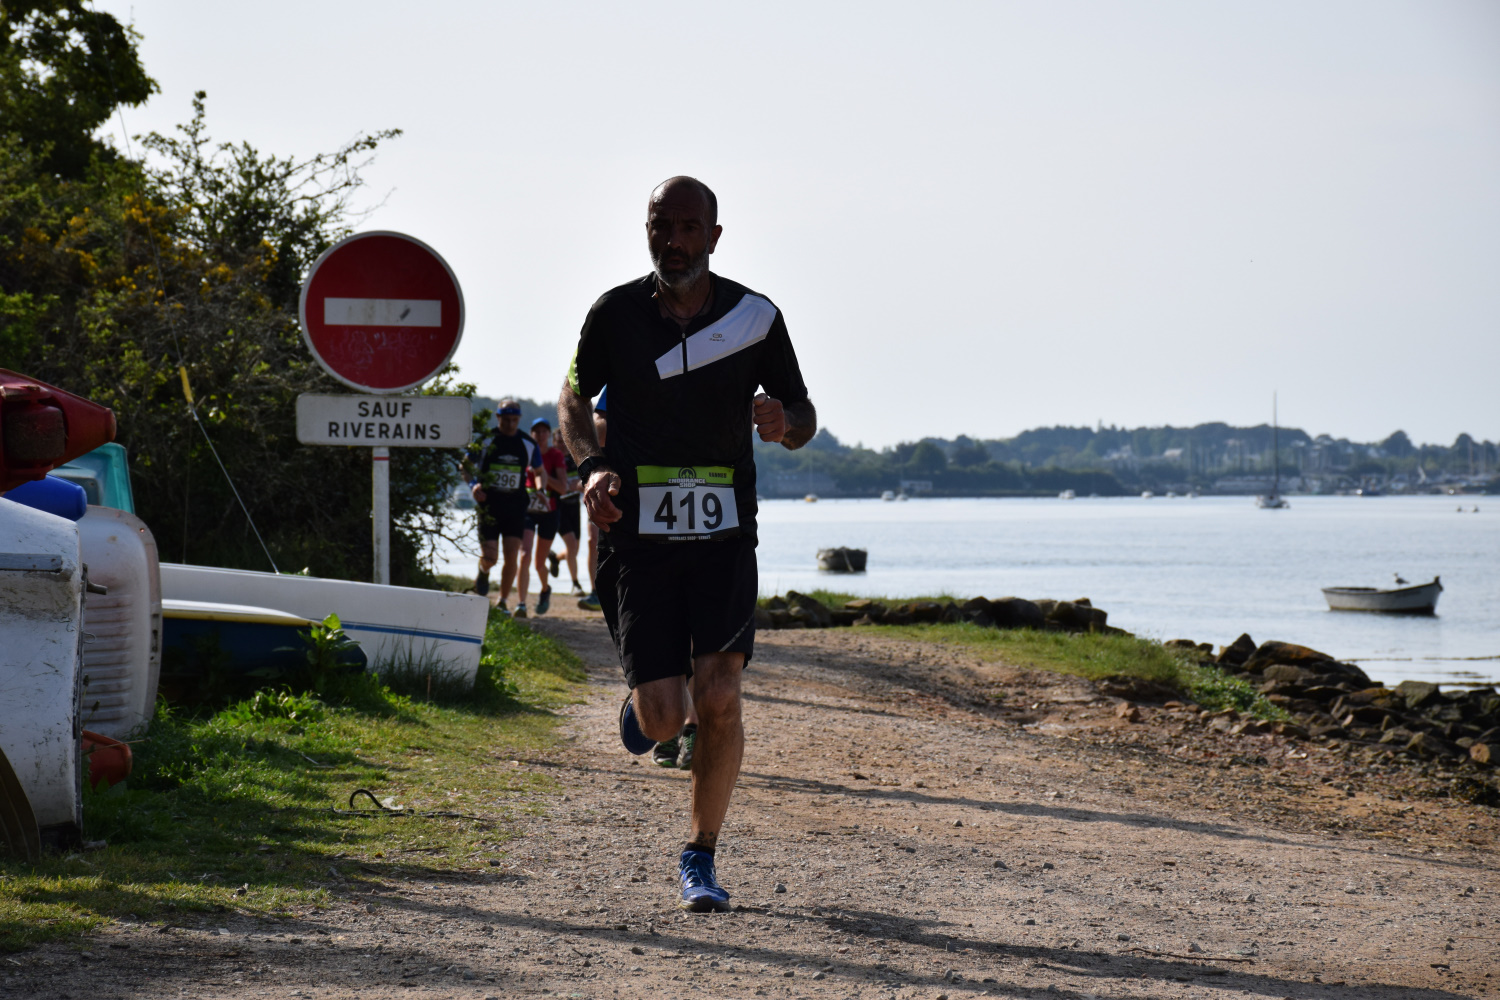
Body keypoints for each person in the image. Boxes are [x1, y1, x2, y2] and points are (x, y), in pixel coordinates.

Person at [557, 176, 816, 913]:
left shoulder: (755, 317)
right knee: (667, 717)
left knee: (722, 692)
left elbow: (804, 413)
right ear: (647, 231)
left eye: (688, 227)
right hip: (639, 537)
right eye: (660, 226)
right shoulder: (614, 314)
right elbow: (573, 395)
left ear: (714, 236)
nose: (673, 241)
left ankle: (699, 856)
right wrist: (592, 466)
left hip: (724, 531)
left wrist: (784, 424)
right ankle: (647, 712)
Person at [468, 400, 543, 615]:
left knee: (511, 556)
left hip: (515, 507)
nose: (510, 424)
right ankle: (483, 571)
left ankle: (502, 601)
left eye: (514, 420)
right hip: (489, 507)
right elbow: (465, 466)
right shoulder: (486, 440)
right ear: (498, 417)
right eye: (506, 420)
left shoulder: (528, 443)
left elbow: (539, 471)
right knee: (490, 557)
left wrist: (540, 489)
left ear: (519, 419)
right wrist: (473, 486)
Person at [515, 417, 569, 618]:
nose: (540, 435)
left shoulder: (555, 455)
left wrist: (542, 474)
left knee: (539, 563)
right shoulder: (525, 451)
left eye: (544, 431)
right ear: (531, 434)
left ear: (548, 434)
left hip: (549, 511)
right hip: (527, 510)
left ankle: (545, 589)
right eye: (536, 432)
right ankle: (521, 604)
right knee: (524, 555)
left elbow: (563, 488)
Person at [576, 388, 608, 612]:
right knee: (592, 540)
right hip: (604, 472)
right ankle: (595, 592)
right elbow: (600, 423)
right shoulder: (617, 384)